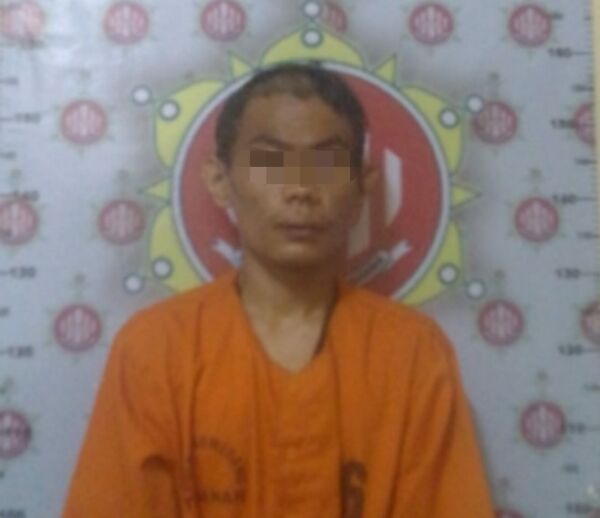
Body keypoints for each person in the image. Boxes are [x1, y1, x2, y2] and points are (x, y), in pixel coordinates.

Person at [62, 62, 495, 517]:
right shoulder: (154, 350)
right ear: (220, 180)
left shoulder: (412, 353)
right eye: (270, 161)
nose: (300, 189)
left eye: (326, 164)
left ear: (361, 186)